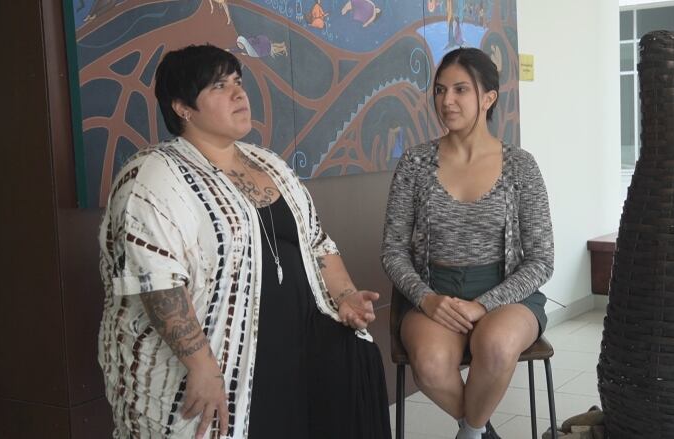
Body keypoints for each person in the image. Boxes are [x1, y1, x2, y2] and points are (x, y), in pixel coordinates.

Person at [98, 44, 391, 439]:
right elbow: (158, 282)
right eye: (220, 86)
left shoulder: (269, 163)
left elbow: (317, 242)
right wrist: (201, 366)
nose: (239, 94)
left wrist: (345, 295)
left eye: (238, 82)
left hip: (297, 345)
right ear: (183, 107)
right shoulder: (155, 175)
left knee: (356, 364)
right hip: (225, 357)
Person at [381, 47, 553, 439]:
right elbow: (392, 250)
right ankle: (479, 430)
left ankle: (471, 433)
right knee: (429, 362)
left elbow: (542, 260)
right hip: (434, 293)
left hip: (506, 293)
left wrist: (483, 305)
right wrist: (426, 299)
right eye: (440, 90)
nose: (447, 101)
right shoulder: (415, 163)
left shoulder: (521, 166)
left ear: (488, 98)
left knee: (495, 344)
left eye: (461, 89)